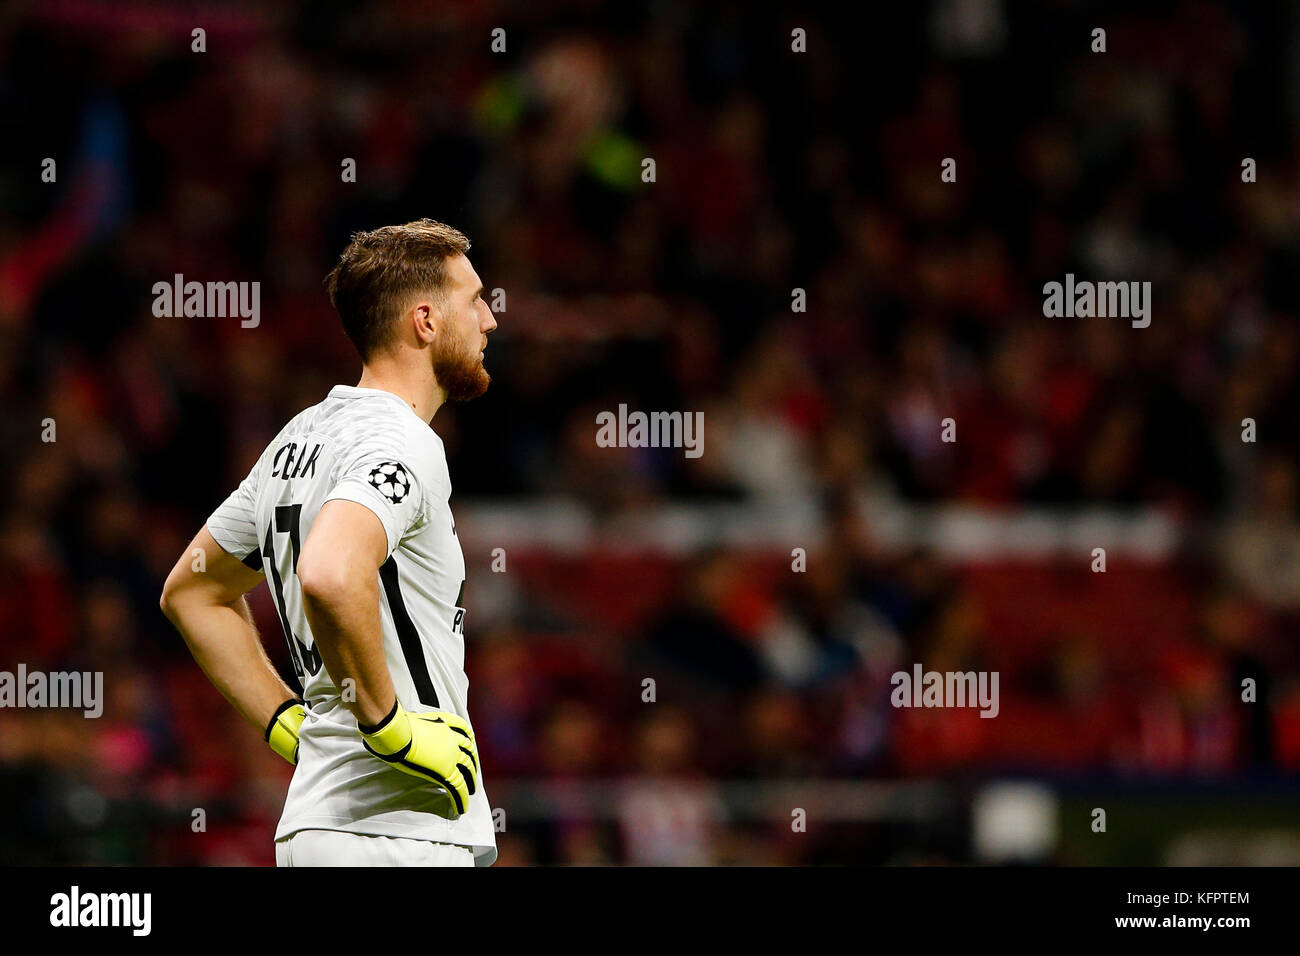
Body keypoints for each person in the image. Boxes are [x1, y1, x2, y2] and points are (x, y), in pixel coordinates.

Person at [160, 219, 499, 866]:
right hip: (395, 831)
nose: (489, 320)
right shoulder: (402, 443)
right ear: (425, 321)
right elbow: (330, 572)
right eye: (475, 299)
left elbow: (193, 593)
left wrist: (287, 722)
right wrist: (389, 728)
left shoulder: (297, 441)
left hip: (325, 823)